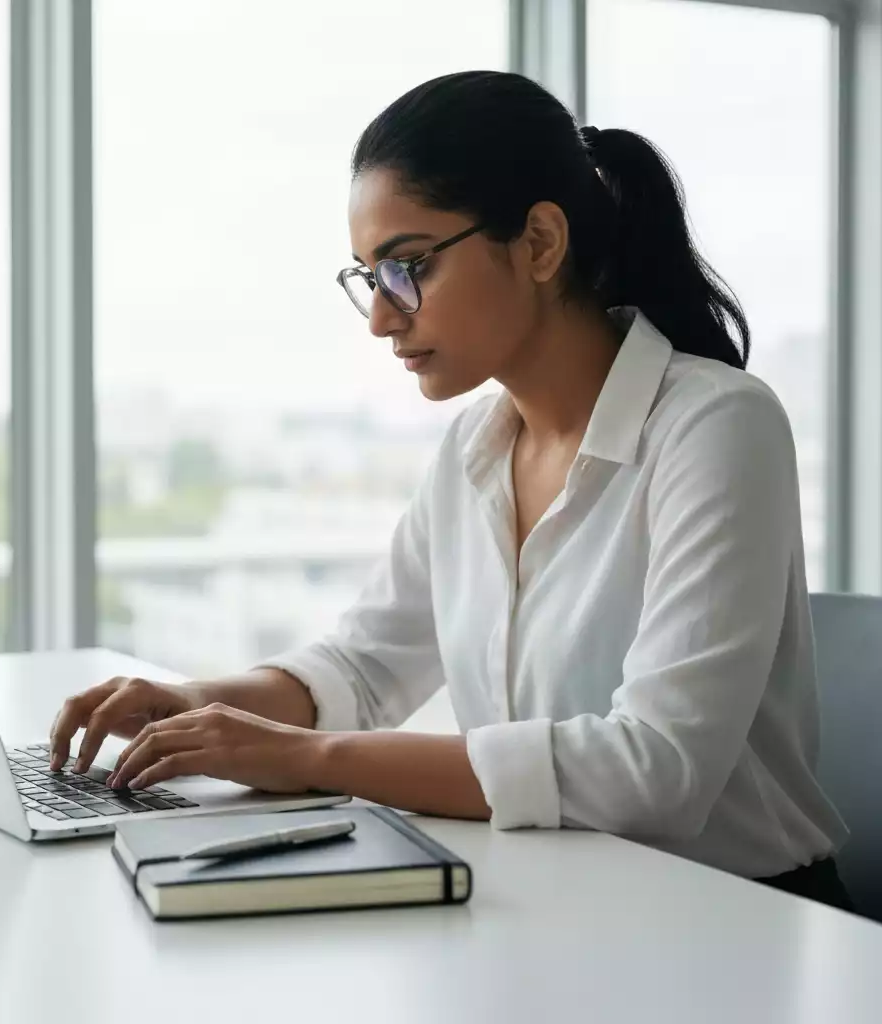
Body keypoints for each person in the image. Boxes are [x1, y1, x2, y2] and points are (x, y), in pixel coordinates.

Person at [50, 71, 852, 910]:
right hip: (554, 901)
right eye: (369, 277)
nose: (381, 318)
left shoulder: (716, 426)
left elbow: (657, 769)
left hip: (734, 916)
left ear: (540, 242)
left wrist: (306, 757)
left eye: (408, 267)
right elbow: (363, 668)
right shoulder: (475, 446)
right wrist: (194, 706)